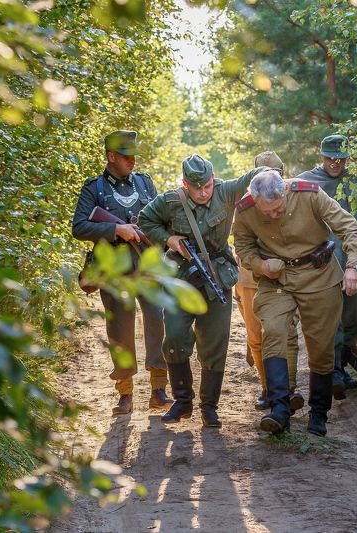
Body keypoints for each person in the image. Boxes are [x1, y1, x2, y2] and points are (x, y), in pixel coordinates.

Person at [233, 170, 357, 436]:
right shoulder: (246, 209)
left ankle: (319, 412)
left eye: (277, 209)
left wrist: (354, 266)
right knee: (273, 330)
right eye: (266, 211)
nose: (272, 215)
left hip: (319, 275)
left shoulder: (310, 194)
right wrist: (260, 265)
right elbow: (243, 247)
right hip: (276, 279)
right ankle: (280, 408)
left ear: (285, 192)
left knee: (320, 345)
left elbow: (349, 228)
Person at [138, 154, 265, 428]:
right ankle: (183, 402)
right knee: (173, 337)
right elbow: (145, 220)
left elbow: (253, 177)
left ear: (213, 178)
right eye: (197, 188)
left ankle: (209, 407)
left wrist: (270, 174)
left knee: (215, 342)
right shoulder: (171, 201)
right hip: (180, 278)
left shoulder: (226, 191)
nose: (204, 192)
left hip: (217, 277)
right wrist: (169, 239)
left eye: (207, 185)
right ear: (185, 184)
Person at [71, 130, 172, 416]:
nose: (132, 161)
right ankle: (125, 393)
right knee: (120, 331)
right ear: (110, 156)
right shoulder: (94, 189)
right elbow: (79, 227)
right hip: (114, 272)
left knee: (156, 323)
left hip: (148, 268)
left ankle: (158, 389)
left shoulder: (145, 183)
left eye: (133, 156)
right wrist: (116, 229)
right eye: (125, 156)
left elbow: (159, 219)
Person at [295, 135, 357, 399]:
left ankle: (344, 366)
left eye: (340, 159)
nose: (335, 163)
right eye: (329, 158)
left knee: (352, 316)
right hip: (322, 263)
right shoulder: (306, 182)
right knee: (332, 318)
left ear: (347, 158)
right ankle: (333, 371)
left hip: (356, 262)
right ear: (321, 156)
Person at [234, 151, 304, 412]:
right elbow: (239, 243)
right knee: (256, 334)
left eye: (276, 173)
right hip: (252, 278)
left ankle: (287, 390)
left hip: (287, 275)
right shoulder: (246, 202)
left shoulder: (292, 199)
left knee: (287, 331)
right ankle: (267, 387)